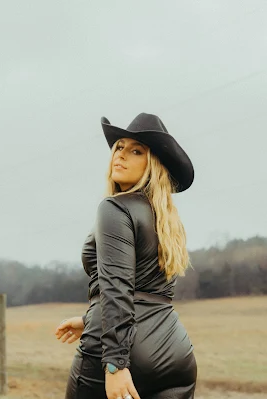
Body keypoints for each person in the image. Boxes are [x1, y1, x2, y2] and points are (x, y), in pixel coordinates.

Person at [55, 113, 197, 399]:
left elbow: (118, 286)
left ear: (153, 164)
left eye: (136, 151)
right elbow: (146, 291)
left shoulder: (114, 208)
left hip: (127, 353)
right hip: (175, 352)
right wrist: (90, 318)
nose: (120, 155)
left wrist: (115, 365)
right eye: (119, 147)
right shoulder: (166, 218)